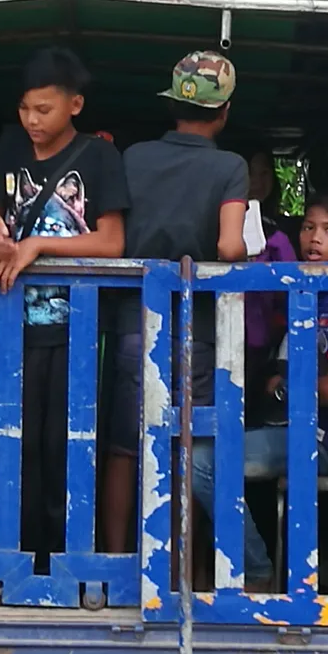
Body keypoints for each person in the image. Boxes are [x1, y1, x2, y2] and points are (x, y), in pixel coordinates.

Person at [0, 46, 130, 571]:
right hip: (13, 324)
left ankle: (68, 565)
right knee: (15, 447)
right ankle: (18, 563)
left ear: (75, 105)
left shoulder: (100, 157)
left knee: (68, 445)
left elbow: (112, 242)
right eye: (25, 108)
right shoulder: (10, 146)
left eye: (44, 109)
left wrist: (38, 245)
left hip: (79, 330)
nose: (32, 120)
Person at [100, 50, 247, 554]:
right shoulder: (230, 167)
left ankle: (116, 559)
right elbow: (229, 246)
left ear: (171, 104)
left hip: (133, 320)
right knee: (187, 446)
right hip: (195, 326)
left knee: (124, 447)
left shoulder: (133, 157)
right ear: (224, 111)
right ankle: (178, 565)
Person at [190, 192, 328, 591]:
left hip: (322, 441)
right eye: (308, 227)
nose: (314, 238)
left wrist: (282, 388)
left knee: (202, 462)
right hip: (288, 431)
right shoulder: (306, 294)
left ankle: (256, 572)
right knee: (199, 452)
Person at [243, 148, 298, 427]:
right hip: (221, 336)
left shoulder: (280, 232)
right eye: (249, 174)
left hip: (265, 346)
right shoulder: (214, 225)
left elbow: (293, 291)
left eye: (265, 173)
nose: (258, 181)